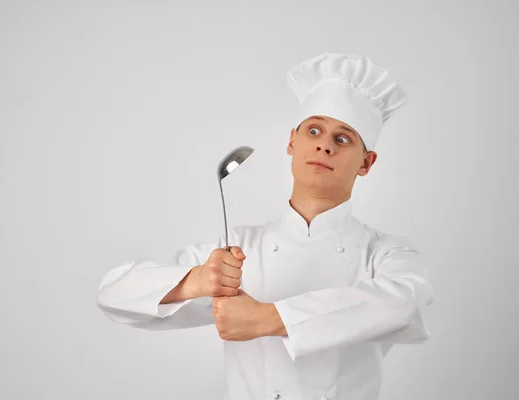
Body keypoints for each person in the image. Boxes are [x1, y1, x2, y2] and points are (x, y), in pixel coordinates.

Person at [96, 52, 434, 400]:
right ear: (291, 141)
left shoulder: (385, 252)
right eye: (314, 130)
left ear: (366, 162)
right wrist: (196, 281)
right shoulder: (238, 249)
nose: (324, 145)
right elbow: (112, 295)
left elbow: (405, 304)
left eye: (343, 138)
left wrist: (269, 318)